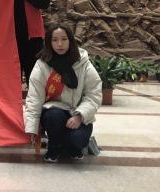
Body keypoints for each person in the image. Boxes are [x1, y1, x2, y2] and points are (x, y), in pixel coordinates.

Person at [24, 23, 102, 163]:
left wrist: (79, 115)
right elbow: (34, 98)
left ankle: (73, 147)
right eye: (55, 40)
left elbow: (93, 95)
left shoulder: (83, 63)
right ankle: (54, 147)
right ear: (49, 43)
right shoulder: (42, 65)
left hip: (78, 113)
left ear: (70, 40)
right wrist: (32, 127)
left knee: (78, 139)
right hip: (54, 113)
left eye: (64, 39)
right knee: (54, 116)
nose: (60, 44)